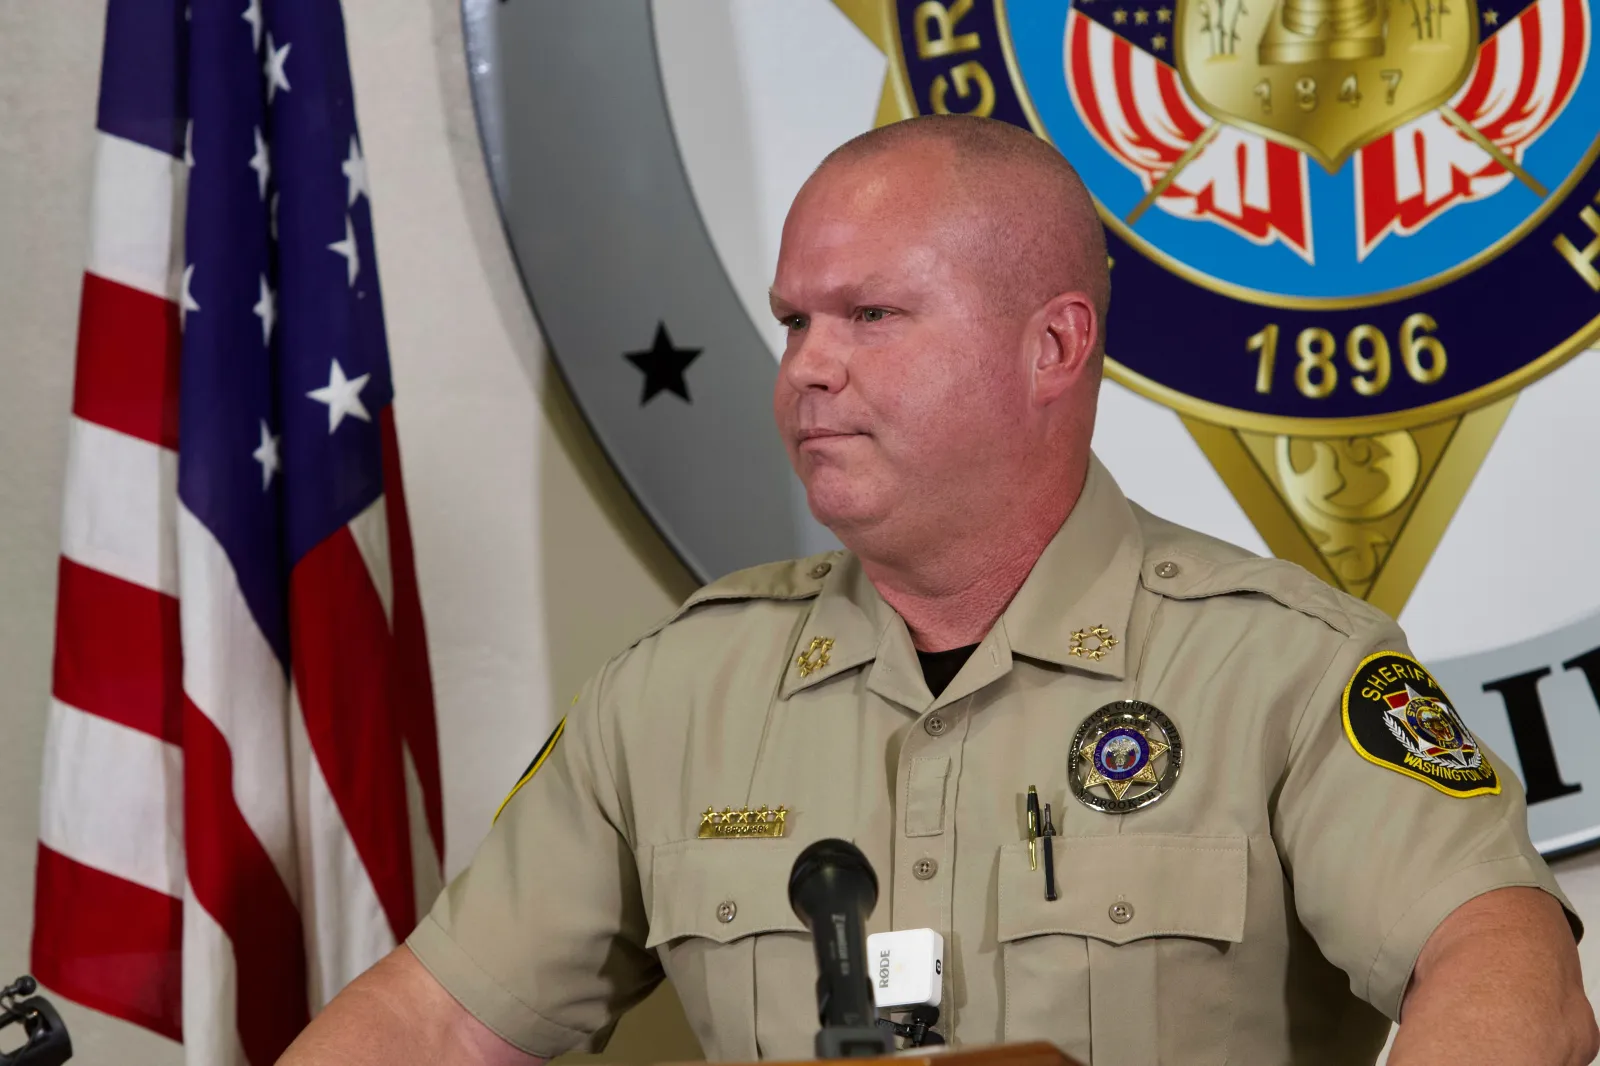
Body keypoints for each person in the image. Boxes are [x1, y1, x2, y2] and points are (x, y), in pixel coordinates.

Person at [278, 115, 1597, 1066]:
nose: (809, 367)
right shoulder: (678, 691)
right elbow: (434, 1022)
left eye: (871, 316)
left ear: (1053, 346)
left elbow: (1511, 972)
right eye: (795, 321)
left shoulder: (1286, 673)